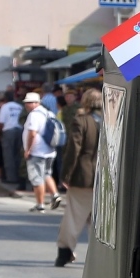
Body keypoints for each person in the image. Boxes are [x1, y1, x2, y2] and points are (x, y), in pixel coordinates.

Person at [55, 88, 102, 267]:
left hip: (83, 174)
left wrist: (66, 174)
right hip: (103, 176)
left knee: (73, 217)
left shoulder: (81, 121)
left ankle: (65, 252)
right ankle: (98, 255)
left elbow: (73, 149)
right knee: (97, 219)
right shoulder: (110, 120)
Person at [21, 92, 61, 212]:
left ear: (36, 103)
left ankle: (40, 204)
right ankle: (55, 195)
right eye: (26, 103)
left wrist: (28, 150)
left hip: (37, 151)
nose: (26, 105)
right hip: (50, 151)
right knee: (46, 174)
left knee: (37, 178)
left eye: (29, 102)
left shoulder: (34, 115)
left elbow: (32, 134)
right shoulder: (49, 113)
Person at [0, 91, 24, 189]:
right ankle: (19, 176)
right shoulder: (19, 106)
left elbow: (0, 123)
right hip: (20, 130)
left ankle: (11, 178)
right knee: (18, 155)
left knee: (8, 155)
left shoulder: (5, 107)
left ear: (5, 99)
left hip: (9, 131)